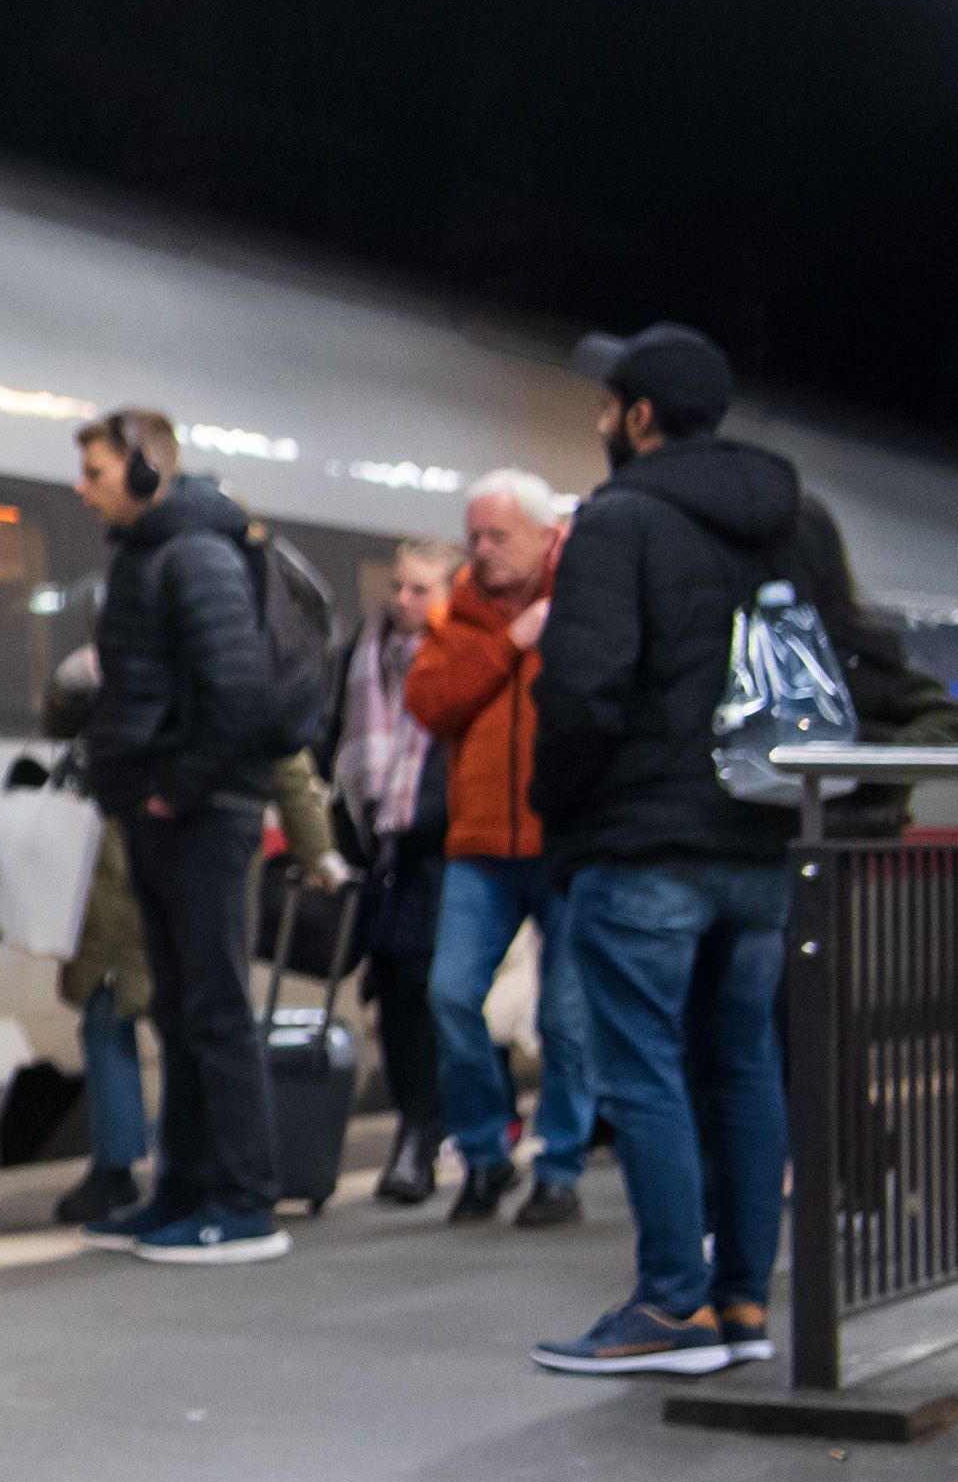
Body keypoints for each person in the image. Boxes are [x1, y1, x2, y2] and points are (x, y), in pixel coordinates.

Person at [518, 325, 845, 1376]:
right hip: (760, 835)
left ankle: (668, 1303)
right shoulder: (794, 524)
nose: (604, 424)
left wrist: (561, 815)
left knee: (645, 1069)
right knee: (742, 1062)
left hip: (646, 841)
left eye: (610, 407)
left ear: (641, 415)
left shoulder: (620, 519)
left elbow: (580, 691)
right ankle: (741, 1300)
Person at [73, 407, 291, 1264]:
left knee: (215, 1008)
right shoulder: (156, 552)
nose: (82, 489)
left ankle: (244, 1200)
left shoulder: (196, 553)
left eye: (93, 472)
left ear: (140, 468)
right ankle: (183, 1188)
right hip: (166, 810)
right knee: (179, 1006)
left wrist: (177, 789)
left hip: (201, 816)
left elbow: (237, 690)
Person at [405, 471, 594, 1228]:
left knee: (567, 1016)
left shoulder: (587, 599)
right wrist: (508, 647)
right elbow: (430, 701)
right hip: (480, 840)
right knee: (452, 994)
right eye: (474, 536)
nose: (482, 552)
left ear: (548, 535)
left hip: (563, 840)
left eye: (498, 536)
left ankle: (560, 1165)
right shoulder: (464, 615)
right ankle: (484, 1151)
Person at [333, 539, 462, 1203]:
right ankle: (421, 1130)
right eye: (400, 586)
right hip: (384, 850)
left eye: (422, 589)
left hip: (447, 846)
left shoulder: (464, 653)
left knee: (439, 990)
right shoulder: (364, 655)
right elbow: (336, 743)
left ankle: (440, 1131)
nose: (404, 601)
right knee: (397, 993)